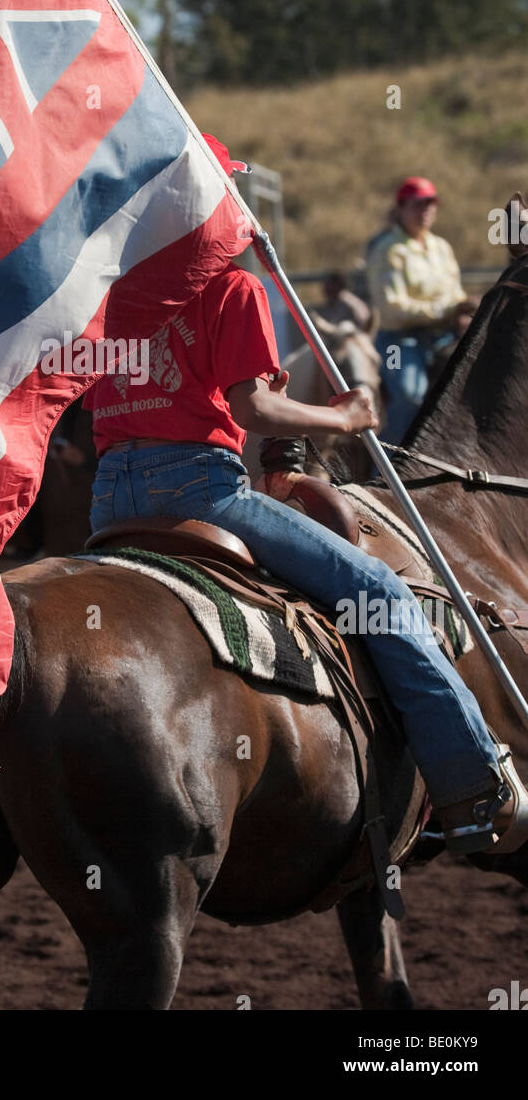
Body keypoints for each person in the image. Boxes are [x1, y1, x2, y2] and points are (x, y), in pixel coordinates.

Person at [83, 134, 528, 856]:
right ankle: (472, 783)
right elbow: (253, 408)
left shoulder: (113, 295)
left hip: (110, 503)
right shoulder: (234, 286)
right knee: (378, 590)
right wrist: (343, 417)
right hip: (201, 491)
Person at [366, 177, 475, 443]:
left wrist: (464, 311)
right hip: (397, 343)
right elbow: (392, 309)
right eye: (418, 205)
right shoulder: (388, 250)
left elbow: (455, 292)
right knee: (408, 394)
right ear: (401, 208)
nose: (426, 211)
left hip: (443, 337)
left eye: (430, 205)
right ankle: (391, 462)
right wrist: (448, 309)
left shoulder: (442, 247)